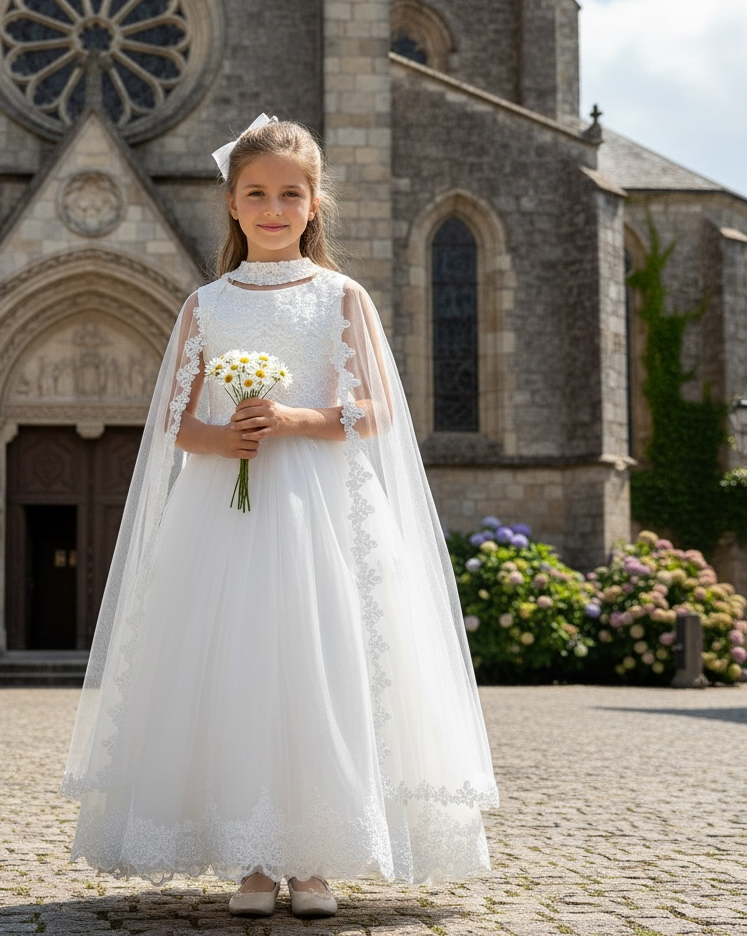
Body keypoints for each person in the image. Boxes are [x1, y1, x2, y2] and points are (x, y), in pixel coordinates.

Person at [62, 116, 499, 919]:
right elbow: (174, 422)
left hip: (322, 511)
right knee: (238, 665)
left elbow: (378, 409)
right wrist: (223, 439)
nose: (273, 208)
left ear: (314, 203)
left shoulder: (341, 297)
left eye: (290, 194)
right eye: (257, 194)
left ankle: (315, 860)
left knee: (321, 661)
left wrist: (298, 419)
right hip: (224, 514)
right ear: (232, 204)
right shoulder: (206, 306)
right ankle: (255, 860)